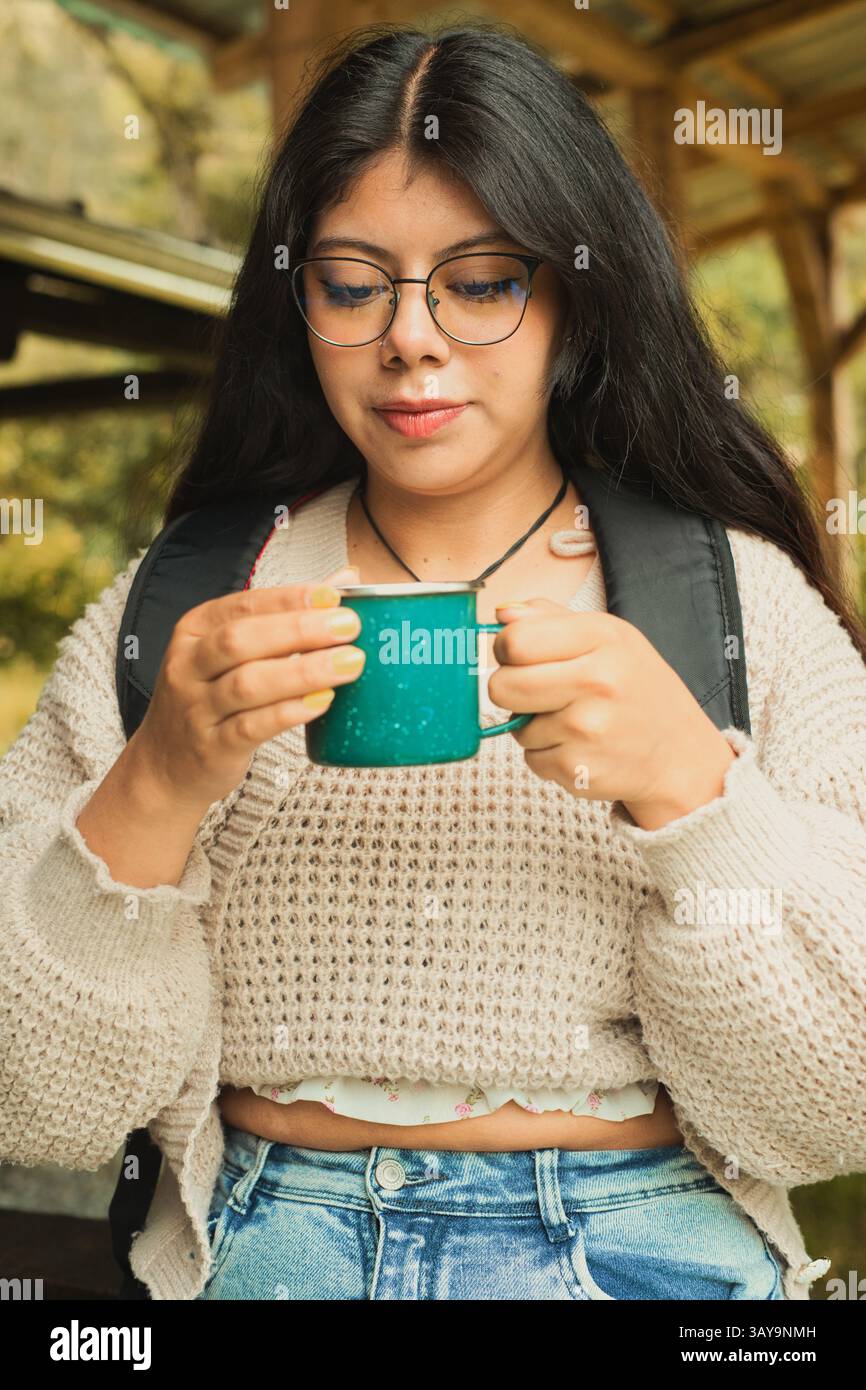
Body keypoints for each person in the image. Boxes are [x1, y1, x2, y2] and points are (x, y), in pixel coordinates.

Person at [2, 21, 864, 1302]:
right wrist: (156, 784)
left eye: (479, 281)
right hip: (263, 1252)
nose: (411, 337)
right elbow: (35, 1110)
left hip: (647, 1254)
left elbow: (836, 1110)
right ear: (297, 305)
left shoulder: (736, 610)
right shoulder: (179, 613)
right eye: (353, 284)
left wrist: (699, 797)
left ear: (576, 294)